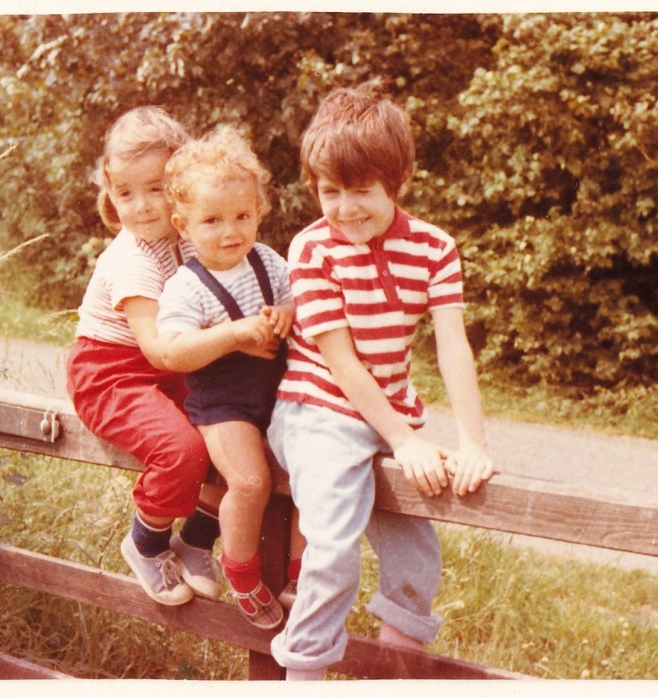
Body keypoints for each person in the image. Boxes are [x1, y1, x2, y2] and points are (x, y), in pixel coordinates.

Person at [266, 80, 495, 680]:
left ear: (401, 181)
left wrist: (472, 442)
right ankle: (304, 674)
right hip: (318, 412)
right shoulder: (312, 249)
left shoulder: (435, 249)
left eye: (362, 190)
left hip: (390, 418)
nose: (346, 208)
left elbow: (452, 345)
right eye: (330, 192)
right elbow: (340, 363)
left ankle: (394, 671)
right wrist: (405, 440)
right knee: (333, 549)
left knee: (417, 557)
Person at [66, 106, 224, 608]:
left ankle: (197, 539)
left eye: (155, 188)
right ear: (110, 195)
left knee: (235, 429)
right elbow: (159, 346)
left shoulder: (188, 239)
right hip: (112, 372)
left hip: (171, 366)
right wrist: (235, 337)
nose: (141, 206)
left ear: (181, 184)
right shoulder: (132, 257)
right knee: (183, 448)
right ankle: (146, 541)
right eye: (125, 192)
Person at [156, 125, 297, 629]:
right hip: (223, 407)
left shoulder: (269, 262)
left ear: (260, 210)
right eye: (211, 220)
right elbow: (173, 352)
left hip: (278, 399)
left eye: (242, 215)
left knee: (305, 476)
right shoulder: (186, 286)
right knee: (252, 479)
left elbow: (301, 300)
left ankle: (302, 573)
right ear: (184, 225)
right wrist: (234, 334)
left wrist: (286, 311)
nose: (230, 231)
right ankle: (240, 570)